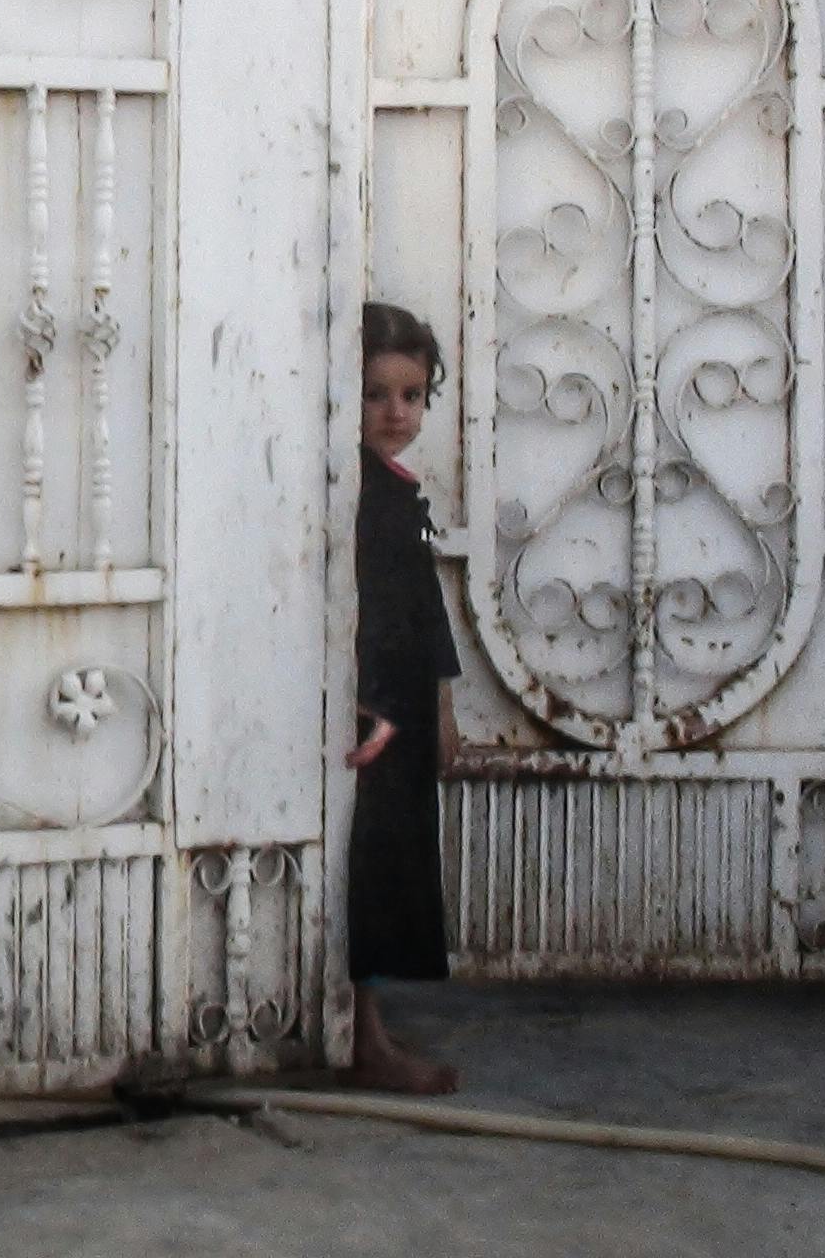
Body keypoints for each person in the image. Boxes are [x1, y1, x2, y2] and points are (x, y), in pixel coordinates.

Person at [346, 300, 464, 1093]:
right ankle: (364, 1037)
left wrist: (444, 704)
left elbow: (423, 606)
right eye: (377, 394)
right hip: (373, 711)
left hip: (403, 707)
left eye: (411, 396)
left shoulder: (395, 489)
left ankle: (369, 1025)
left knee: (389, 863)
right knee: (368, 867)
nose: (396, 412)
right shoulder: (352, 492)